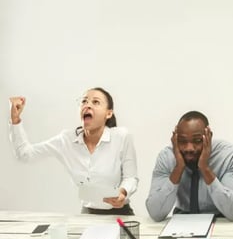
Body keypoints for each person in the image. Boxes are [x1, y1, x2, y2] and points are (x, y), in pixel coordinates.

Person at [8, 87, 138, 215]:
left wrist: (123, 192)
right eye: (84, 101)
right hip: (88, 215)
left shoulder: (122, 137)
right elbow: (25, 154)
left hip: (120, 214)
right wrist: (15, 120)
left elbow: (131, 178)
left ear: (108, 113)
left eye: (96, 102)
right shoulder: (66, 140)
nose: (87, 105)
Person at [146, 111, 233, 222]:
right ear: (175, 139)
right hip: (182, 222)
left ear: (209, 136)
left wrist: (205, 168)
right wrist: (178, 169)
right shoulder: (167, 157)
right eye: (182, 141)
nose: (189, 148)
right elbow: (155, 213)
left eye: (197, 140)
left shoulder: (228, 155)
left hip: (221, 220)